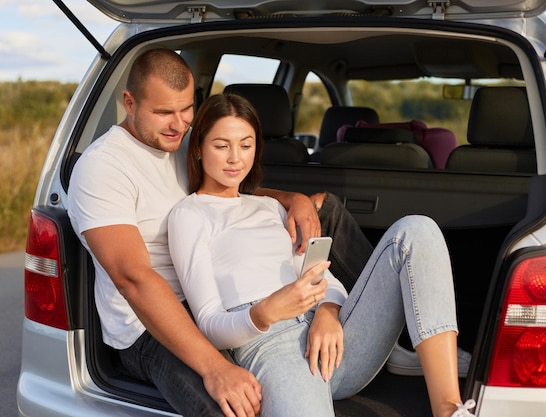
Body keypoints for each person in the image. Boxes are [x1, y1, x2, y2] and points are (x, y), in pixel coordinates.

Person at [66, 48, 373, 417]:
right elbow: (135, 280)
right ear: (129, 103)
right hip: (151, 319)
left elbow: (231, 192)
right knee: (232, 405)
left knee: (328, 212)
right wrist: (215, 368)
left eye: (185, 109)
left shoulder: (183, 140)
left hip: (216, 291)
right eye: (163, 112)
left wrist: (292, 199)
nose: (178, 124)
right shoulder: (104, 168)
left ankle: (396, 346)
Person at [167, 93, 476, 417]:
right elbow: (209, 324)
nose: (235, 158)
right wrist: (267, 312)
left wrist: (328, 313)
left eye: (245, 145)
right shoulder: (189, 216)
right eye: (221, 145)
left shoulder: (271, 206)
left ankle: (449, 408)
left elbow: (321, 274)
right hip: (272, 346)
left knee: (416, 230)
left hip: (334, 336)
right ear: (199, 148)